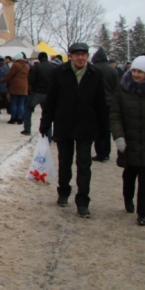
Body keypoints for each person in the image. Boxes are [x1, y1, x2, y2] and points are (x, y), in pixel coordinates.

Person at [39, 42, 108, 218]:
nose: (80, 57)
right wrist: (45, 122)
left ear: (88, 56)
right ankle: (63, 190)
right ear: (70, 55)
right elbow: (51, 100)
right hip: (64, 123)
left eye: (83, 54)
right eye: (77, 54)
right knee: (65, 161)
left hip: (86, 125)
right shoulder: (59, 72)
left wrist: (103, 128)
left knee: (84, 164)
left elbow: (100, 102)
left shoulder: (95, 74)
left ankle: (83, 201)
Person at [110, 56, 145, 226]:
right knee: (129, 175)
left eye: (140, 72)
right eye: (134, 71)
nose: (136, 75)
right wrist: (118, 136)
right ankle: (128, 197)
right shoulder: (123, 89)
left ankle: (143, 213)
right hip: (129, 141)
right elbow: (115, 114)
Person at [91, 47, 120, 162]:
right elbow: (117, 88)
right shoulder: (113, 70)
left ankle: (100, 153)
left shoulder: (93, 69)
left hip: (97, 103)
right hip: (110, 103)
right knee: (107, 128)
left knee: (98, 128)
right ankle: (107, 152)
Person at [23, 52, 54, 137]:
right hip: (48, 93)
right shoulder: (53, 67)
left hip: (37, 92)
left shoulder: (35, 67)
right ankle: (48, 133)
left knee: (28, 109)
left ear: (39, 58)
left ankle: (27, 129)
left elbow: (31, 80)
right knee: (47, 113)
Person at [2, 52, 30, 125]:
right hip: (24, 86)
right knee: (21, 104)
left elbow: (9, 75)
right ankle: (20, 119)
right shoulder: (27, 66)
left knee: (14, 103)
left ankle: (13, 118)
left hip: (15, 85)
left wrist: (2, 81)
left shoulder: (15, 65)